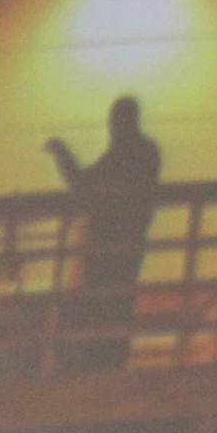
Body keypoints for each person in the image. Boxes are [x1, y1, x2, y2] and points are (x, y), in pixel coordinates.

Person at [46, 93, 162, 371]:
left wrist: (62, 154)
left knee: (102, 305)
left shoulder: (122, 154)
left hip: (108, 247)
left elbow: (82, 184)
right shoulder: (146, 153)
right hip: (130, 244)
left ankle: (100, 362)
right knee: (119, 302)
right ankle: (113, 360)